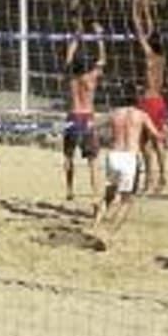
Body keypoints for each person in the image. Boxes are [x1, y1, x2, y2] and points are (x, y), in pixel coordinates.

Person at [90, 95, 147, 248]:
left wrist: (96, 141)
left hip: (113, 156)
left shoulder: (114, 113)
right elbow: (156, 134)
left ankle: (94, 226)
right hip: (129, 157)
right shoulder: (140, 115)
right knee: (126, 200)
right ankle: (107, 236)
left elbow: (92, 125)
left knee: (109, 195)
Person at [132, 0, 168, 194]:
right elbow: (150, 29)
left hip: (149, 103)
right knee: (156, 142)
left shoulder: (148, 55)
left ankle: (151, 180)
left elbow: (139, 29)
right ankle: (161, 178)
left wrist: (135, 5)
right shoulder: (161, 58)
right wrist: (146, 9)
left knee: (146, 144)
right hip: (158, 101)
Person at [62, 13, 104, 201]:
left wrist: (76, 36)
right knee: (92, 160)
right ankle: (95, 194)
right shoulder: (91, 78)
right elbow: (103, 60)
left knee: (68, 156)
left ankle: (69, 189)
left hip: (72, 116)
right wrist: (99, 37)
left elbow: (68, 58)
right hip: (87, 117)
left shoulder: (71, 79)